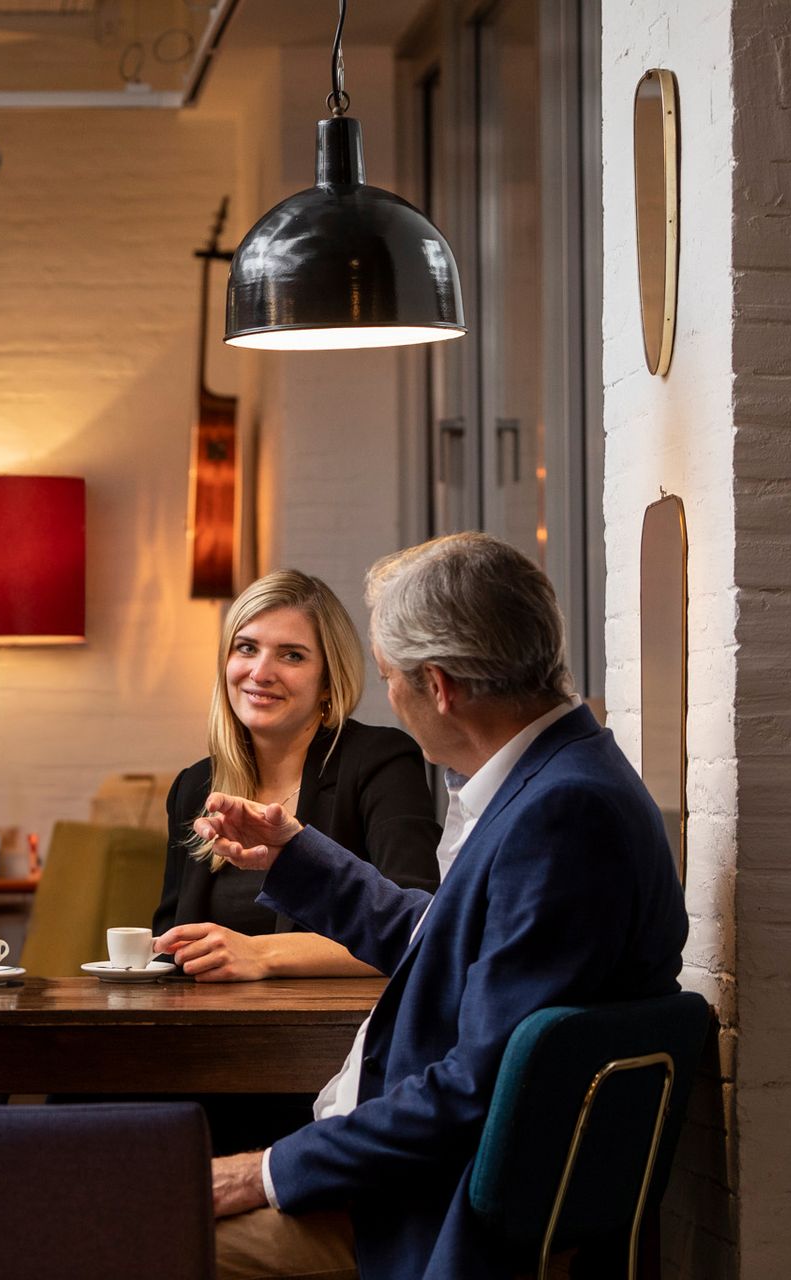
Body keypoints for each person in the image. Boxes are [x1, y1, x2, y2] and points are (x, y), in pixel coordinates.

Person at [199, 533, 689, 1280]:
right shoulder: (559, 779)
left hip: (417, 1217)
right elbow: (445, 941)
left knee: (121, 1236)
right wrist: (298, 856)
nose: (389, 698)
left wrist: (260, 1171)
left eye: (391, 677)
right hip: (403, 1186)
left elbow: (474, 1087)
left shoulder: (563, 816)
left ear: (439, 686)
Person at [151, 570, 439, 984]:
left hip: (334, 1032)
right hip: (208, 1032)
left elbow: (419, 925)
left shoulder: (380, 761)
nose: (261, 672)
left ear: (327, 681)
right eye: (246, 648)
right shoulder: (195, 785)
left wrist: (261, 954)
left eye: (292, 655)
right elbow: (169, 943)